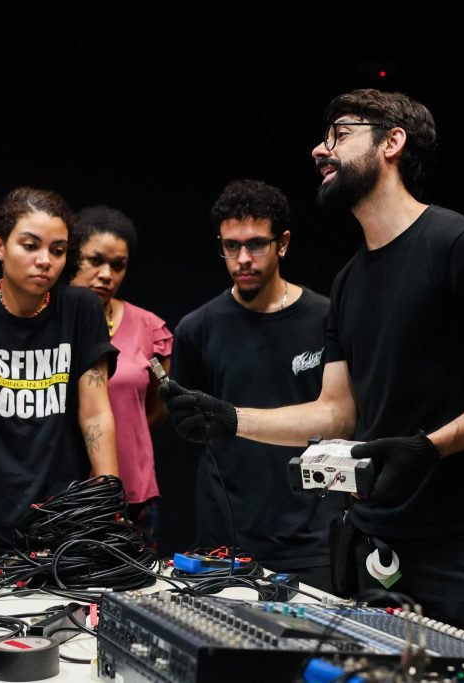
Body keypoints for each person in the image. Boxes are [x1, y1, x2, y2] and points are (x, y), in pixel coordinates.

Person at [161, 89, 464, 644]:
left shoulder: (460, 247)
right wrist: (231, 419)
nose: (320, 150)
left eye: (340, 134)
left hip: (462, 541)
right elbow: (337, 412)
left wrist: (431, 446)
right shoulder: (349, 282)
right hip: (374, 542)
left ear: (392, 142)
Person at [168, 179, 342, 592]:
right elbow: (193, 431)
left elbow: (346, 420)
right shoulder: (196, 329)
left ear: (283, 243)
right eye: (231, 246)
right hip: (227, 538)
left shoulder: (327, 318)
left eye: (256, 245)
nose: (242, 258)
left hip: (313, 535)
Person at [0, 187, 119, 564]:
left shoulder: (81, 309)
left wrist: (106, 509)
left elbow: (95, 413)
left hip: (65, 520)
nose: (44, 261)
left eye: (57, 250)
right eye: (30, 245)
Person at [69, 205, 172, 550]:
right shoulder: (48, 322)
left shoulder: (149, 327)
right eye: (94, 260)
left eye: (117, 265)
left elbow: (156, 409)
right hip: (61, 496)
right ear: (71, 257)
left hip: (132, 495)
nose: (106, 274)